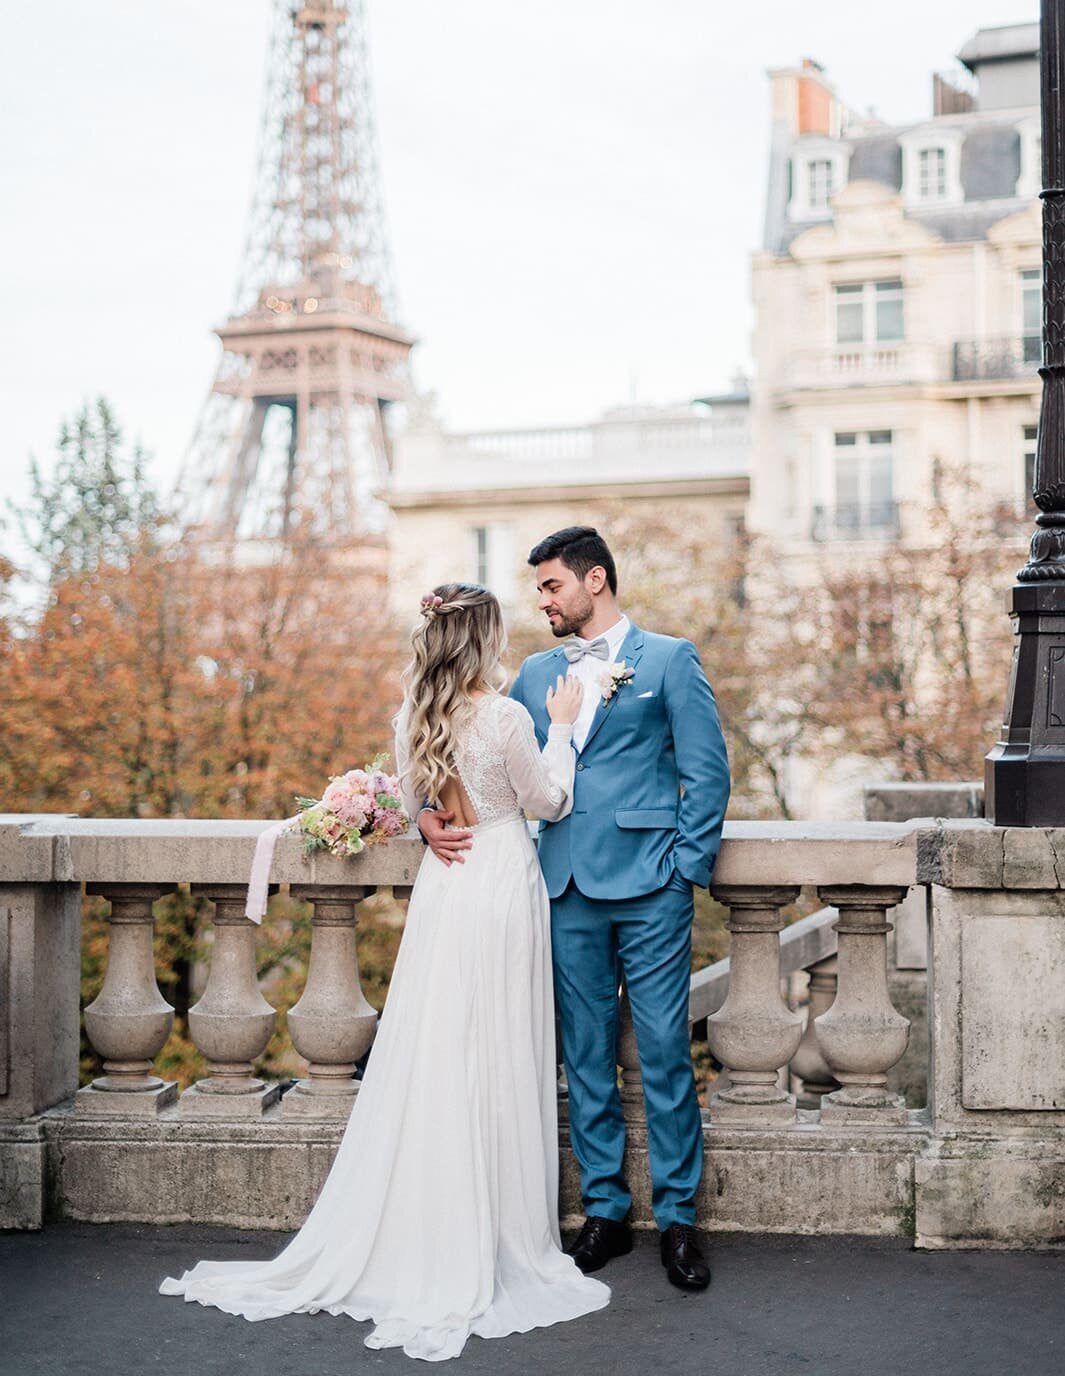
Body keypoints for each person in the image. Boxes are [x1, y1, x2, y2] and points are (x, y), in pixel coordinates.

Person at [159, 582, 610, 1362]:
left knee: (436, 1048)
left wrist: (430, 821)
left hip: (445, 891)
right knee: (498, 1049)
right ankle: (495, 1232)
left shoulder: (413, 719)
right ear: (483, 641)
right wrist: (564, 728)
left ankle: (425, 1224)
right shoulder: (506, 717)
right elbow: (550, 803)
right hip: (501, 882)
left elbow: (416, 809)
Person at [419, 528, 730, 1292]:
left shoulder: (668, 659)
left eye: (552, 587)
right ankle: (605, 1213)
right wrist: (426, 809)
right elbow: (463, 750)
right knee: (583, 1056)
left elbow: (706, 773)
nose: (543, 602)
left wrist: (682, 870)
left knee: (661, 1051)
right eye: (539, 591)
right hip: (557, 887)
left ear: (595, 581)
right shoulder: (531, 673)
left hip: (651, 887)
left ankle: (680, 1218)